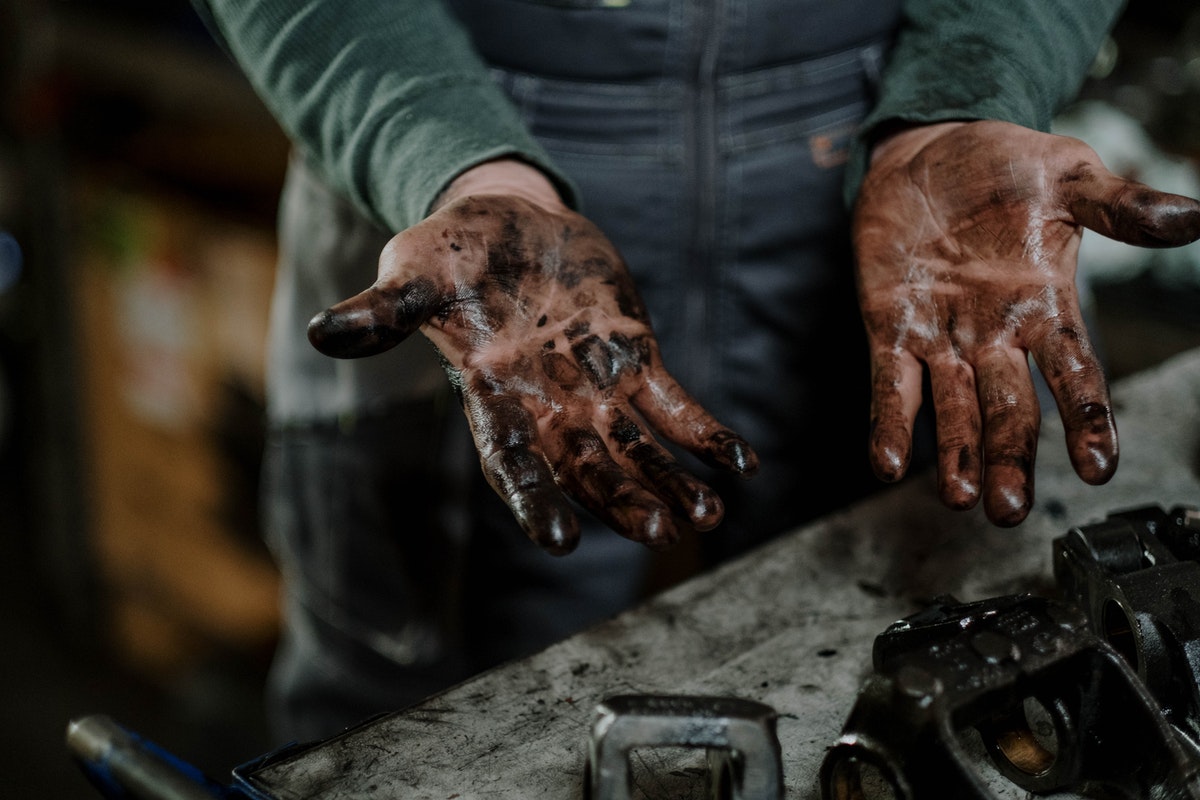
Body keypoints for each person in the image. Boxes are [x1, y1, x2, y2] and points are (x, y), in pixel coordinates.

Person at [190, 0, 1200, 743]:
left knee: (983, 692)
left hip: (913, 173)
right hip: (454, 184)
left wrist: (973, 89)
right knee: (413, 726)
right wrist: (447, 156)